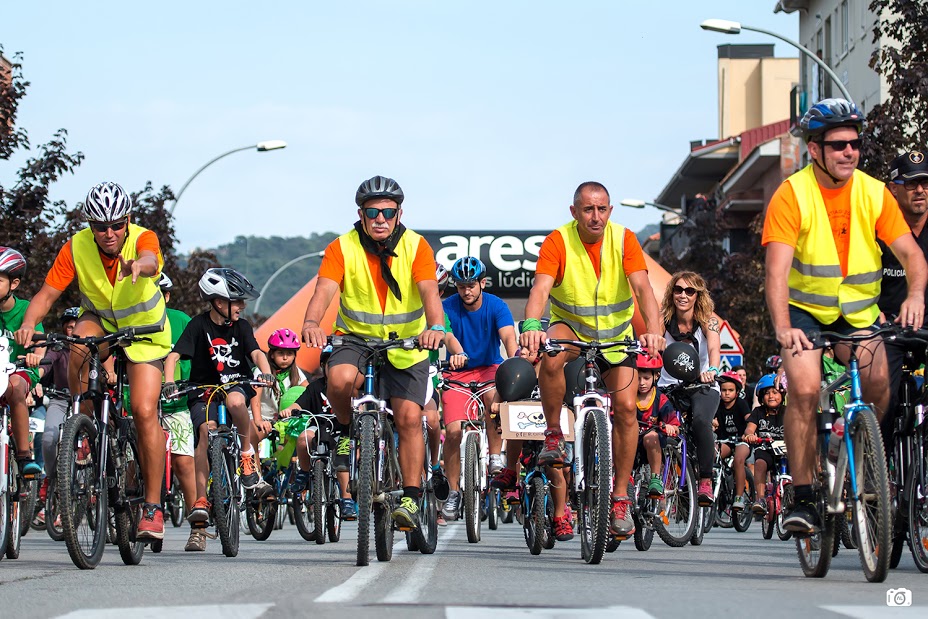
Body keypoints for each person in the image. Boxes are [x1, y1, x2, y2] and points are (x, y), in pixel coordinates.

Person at [762, 98, 927, 534]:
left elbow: (911, 255)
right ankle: (801, 501)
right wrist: (783, 328)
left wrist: (916, 295)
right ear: (814, 150)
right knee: (804, 388)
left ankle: (861, 448)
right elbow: (776, 272)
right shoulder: (791, 195)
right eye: (838, 145)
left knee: (876, 381)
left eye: (854, 144)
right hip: (804, 313)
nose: (849, 152)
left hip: (859, 312)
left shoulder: (874, 193)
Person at [15, 182, 171, 540]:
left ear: (127, 220)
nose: (109, 233)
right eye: (100, 226)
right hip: (100, 318)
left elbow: (150, 260)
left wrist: (140, 266)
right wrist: (28, 323)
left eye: (117, 224)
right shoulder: (76, 246)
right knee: (79, 347)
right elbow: (47, 293)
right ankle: (83, 427)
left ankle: (151, 507)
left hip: (144, 329)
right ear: (90, 225)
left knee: (144, 410)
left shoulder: (143, 238)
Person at [518, 181, 664, 539]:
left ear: (610, 211)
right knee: (550, 356)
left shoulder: (625, 239)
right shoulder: (558, 241)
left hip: (616, 335)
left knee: (628, 410)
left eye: (602, 209)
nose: (595, 216)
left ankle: (619, 500)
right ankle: (554, 434)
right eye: (587, 209)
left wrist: (655, 331)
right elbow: (540, 287)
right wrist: (534, 326)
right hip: (573, 327)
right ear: (574, 212)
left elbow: (644, 288)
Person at [302, 175, 444, 530]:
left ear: (399, 213)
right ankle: (348, 434)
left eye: (388, 212)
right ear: (361, 214)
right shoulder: (342, 247)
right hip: (356, 338)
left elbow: (429, 291)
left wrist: (436, 327)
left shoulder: (416, 246)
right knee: (338, 379)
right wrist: (311, 321)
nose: (380, 219)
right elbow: (324, 290)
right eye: (372, 212)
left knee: (410, 418)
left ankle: (410, 496)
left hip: (408, 343)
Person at [162, 268, 275, 542]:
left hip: (236, 384)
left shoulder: (243, 327)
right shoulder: (198, 325)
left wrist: (266, 371)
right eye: (237, 301)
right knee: (204, 433)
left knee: (237, 400)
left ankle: (246, 457)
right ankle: (201, 500)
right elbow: (173, 356)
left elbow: (257, 353)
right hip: (203, 390)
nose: (242, 306)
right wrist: (168, 382)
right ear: (219, 302)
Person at [440, 256, 517, 522]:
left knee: (493, 403)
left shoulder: (496, 305)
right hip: (457, 371)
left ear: (482, 283)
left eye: (471, 285)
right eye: (461, 286)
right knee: (452, 432)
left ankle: (495, 456)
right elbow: (447, 334)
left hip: (489, 369)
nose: (467, 291)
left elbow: (508, 335)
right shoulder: (447, 306)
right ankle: (453, 492)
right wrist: (458, 352)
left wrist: (515, 359)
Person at [878, 150, 928, 458]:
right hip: (889, 331)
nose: (921, 190)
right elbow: (856, 282)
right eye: (911, 184)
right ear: (894, 188)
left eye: (925, 182)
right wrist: (876, 314)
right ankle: (879, 472)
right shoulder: (877, 231)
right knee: (883, 395)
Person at [658, 271, 721, 508]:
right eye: (678, 289)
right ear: (672, 292)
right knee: (653, 428)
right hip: (669, 386)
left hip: (702, 385)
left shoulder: (708, 319)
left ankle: (705, 479)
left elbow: (714, 348)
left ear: (698, 295)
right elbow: (653, 343)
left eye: (689, 291)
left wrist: (712, 369)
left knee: (701, 422)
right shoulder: (662, 318)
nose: (683, 295)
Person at [156, 272, 202, 551]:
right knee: (132, 466)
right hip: (139, 404)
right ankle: (131, 518)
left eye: (158, 294)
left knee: (185, 463)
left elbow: (200, 358)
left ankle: (197, 526)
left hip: (178, 404)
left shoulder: (181, 321)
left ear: (167, 296)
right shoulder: (130, 318)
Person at [0, 248, 44, 477]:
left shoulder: (26, 310)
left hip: (20, 369)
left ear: (14, 284)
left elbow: (41, 340)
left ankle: (25, 456)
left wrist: (35, 354)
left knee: (16, 387)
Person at [36, 307, 78, 512]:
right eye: (70, 327)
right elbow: (47, 362)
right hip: (60, 399)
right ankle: (51, 478)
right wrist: (38, 373)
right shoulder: (59, 348)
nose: (73, 330)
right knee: (48, 438)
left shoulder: (93, 349)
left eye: (77, 326)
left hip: (85, 402)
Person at [252, 327, 308, 452]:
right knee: (253, 439)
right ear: (271, 354)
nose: (285, 358)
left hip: (286, 419)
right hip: (263, 417)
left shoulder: (296, 372)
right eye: (280, 353)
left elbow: (308, 391)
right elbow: (255, 396)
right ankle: (254, 470)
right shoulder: (261, 370)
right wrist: (258, 420)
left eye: (289, 354)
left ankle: (293, 467)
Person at [635, 352, 679, 499]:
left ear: (656, 376)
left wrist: (670, 426)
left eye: (646, 378)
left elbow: (673, 423)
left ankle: (655, 478)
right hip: (631, 441)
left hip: (652, 441)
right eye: (638, 378)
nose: (641, 383)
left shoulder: (660, 398)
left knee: (651, 437)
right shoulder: (628, 396)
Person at [744, 375, 786, 514]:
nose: (771, 396)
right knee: (760, 463)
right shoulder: (758, 412)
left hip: (786, 451)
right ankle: (760, 498)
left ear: (782, 393)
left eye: (775, 392)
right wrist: (750, 435)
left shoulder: (788, 411)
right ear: (761, 397)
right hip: (765, 448)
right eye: (767, 393)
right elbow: (750, 428)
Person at [713, 371, 752, 511]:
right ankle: (717, 485)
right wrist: (713, 422)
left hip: (742, 440)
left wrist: (749, 432)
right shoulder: (717, 404)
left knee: (738, 460)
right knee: (713, 453)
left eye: (730, 390)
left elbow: (749, 419)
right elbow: (713, 419)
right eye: (723, 390)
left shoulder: (741, 404)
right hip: (726, 441)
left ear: (737, 392)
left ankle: (739, 497)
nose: (727, 393)